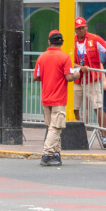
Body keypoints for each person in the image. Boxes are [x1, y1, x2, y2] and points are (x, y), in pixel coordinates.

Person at [33, 30, 80, 167]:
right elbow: (68, 77)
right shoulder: (65, 57)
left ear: (49, 42)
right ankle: (47, 154)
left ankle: (56, 153)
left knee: (52, 127)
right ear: (62, 43)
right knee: (56, 127)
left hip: (46, 97)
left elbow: (35, 77)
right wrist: (76, 75)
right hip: (59, 98)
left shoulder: (41, 57)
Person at [72, 17, 106, 135]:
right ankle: (80, 133)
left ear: (86, 27)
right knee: (75, 107)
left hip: (92, 79)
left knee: (98, 107)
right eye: (78, 29)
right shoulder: (71, 41)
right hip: (77, 79)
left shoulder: (95, 39)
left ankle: (104, 134)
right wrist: (80, 67)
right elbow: (68, 60)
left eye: (82, 28)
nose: (80, 31)